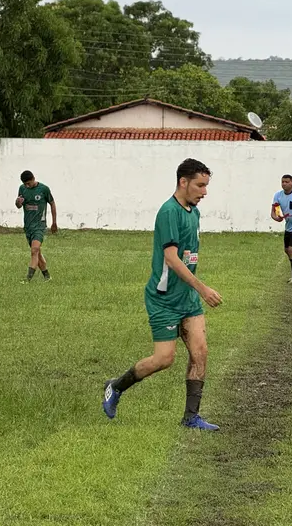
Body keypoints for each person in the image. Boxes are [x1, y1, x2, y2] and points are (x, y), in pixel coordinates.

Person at [102, 158, 223, 431]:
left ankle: (191, 418)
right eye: (200, 185)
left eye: (206, 185)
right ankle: (116, 386)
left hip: (187, 300)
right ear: (183, 182)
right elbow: (171, 258)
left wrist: (194, 292)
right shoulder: (169, 212)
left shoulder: (193, 212)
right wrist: (202, 288)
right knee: (164, 359)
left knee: (200, 352)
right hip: (164, 299)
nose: (205, 192)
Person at [15, 170, 57, 283]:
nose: (27, 186)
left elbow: (52, 203)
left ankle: (27, 279)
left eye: (29, 183)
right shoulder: (22, 189)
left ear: (34, 178)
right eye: (25, 184)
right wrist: (18, 202)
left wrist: (54, 222)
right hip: (28, 226)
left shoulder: (43, 189)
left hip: (40, 225)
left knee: (34, 250)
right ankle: (47, 277)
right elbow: (19, 205)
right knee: (37, 253)